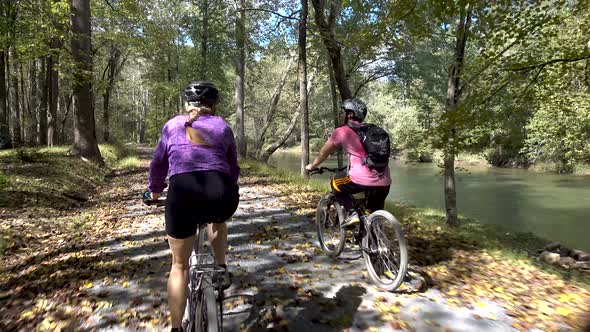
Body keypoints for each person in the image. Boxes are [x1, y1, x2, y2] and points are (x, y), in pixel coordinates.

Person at [147, 81, 240, 332]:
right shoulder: (223, 126)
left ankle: (177, 328)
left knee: (179, 265)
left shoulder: (172, 125)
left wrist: (155, 190)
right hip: (220, 192)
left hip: (183, 193)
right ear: (214, 104)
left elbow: (158, 163)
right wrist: (229, 187)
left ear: (186, 104)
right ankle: (220, 268)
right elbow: (232, 167)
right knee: (218, 219)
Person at [305, 98, 391, 227]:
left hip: (361, 179)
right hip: (384, 182)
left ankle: (351, 213)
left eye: (342, 111)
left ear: (350, 114)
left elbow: (324, 153)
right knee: (371, 215)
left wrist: (312, 166)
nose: (340, 114)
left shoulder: (342, 131)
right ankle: (376, 242)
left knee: (336, 183)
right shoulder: (373, 130)